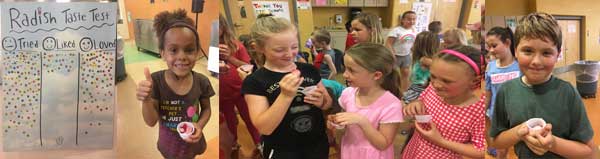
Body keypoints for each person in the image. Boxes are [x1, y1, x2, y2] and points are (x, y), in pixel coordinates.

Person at [489, 12, 597, 158]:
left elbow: (588, 150)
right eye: (528, 51)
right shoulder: (506, 91)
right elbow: (496, 141)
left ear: (558, 54)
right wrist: (519, 132)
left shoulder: (568, 93)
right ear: (515, 51)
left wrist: (553, 143)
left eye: (546, 53)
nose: (536, 61)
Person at [241, 16, 333, 159]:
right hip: (282, 149)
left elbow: (327, 104)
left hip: (316, 143)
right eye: (279, 50)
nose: (290, 54)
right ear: (258, 48)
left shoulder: (309, 70)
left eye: (294, 47)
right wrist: (285, 96)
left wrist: (322, 101)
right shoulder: (254, 81)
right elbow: (264, 127)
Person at [136, 9, 214, 158]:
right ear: (163, 53)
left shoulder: (202, 82)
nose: (182, 56)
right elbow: (151, 121)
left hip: (192, 143)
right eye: (173, 50)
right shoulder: (156, 82)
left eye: (189, 50)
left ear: (197, 52)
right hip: (168, 145)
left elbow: (206, 109)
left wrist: (200, 125)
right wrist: (145, 100)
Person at [402, 45, 486, 158]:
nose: (436, 84)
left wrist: (441, 141)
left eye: (446, 81)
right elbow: (422, 99)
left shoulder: (480, 110)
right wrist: (416, 104)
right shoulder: (433, 88)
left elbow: (480, 151)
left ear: (474, 81)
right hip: (416, 149)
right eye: (433, 76)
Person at [328, 43, 403, 158]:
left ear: (376, 75)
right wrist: (338, 123)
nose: (344, 75)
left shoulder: (391, 105)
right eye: (345, 68)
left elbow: (383, 144)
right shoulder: (348, 94)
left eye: (351, 70)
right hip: (350, 152)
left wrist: (362, 121)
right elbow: (346, 127)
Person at [218, 14, 261, 158]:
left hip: (241, 90)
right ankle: (234, 145)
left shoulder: (236, 45)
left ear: (224, 27)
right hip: (221, 95)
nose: (216, 30)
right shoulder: (207, 46)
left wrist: (229, 57)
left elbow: (248, 66)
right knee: (230, 123)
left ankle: (259, 145)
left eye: (219, 26)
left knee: (250, 119)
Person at [483, 26, 520, 158]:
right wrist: (481, 112)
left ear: (507, 43)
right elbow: (488, 93)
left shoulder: (520, 65)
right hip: (498, 116)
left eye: (494, 45)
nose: (491, 50)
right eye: (488, 46)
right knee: (501, 151)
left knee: (523, 150)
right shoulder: (490, 67)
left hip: (518, 116)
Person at [386, 11, 417, 92]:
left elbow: (412, 44)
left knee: (406, 74)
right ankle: (392, 91)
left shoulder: (414, 30)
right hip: (395, 55)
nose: (412, 21)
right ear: (403, 20)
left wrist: (415, 53)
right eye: (409, 19)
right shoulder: (396, 30)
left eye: (414, 19)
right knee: (393, 75)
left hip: (406, 56)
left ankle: (404, 92)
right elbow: (388, 44)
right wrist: (392, 55)